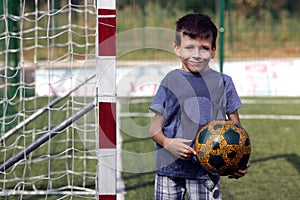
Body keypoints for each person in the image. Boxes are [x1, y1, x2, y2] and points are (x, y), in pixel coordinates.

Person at [149, 13, 250, 200]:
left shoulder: (224, 82)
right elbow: (154, 129)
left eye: (204, 48)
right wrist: (168, 143)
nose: (196, 54)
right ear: (177, 49)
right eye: (189, 48)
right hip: (169, 170)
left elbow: (236, 131)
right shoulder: (171, 81)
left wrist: (238, 160)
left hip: (207, 173)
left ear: (213, 50)